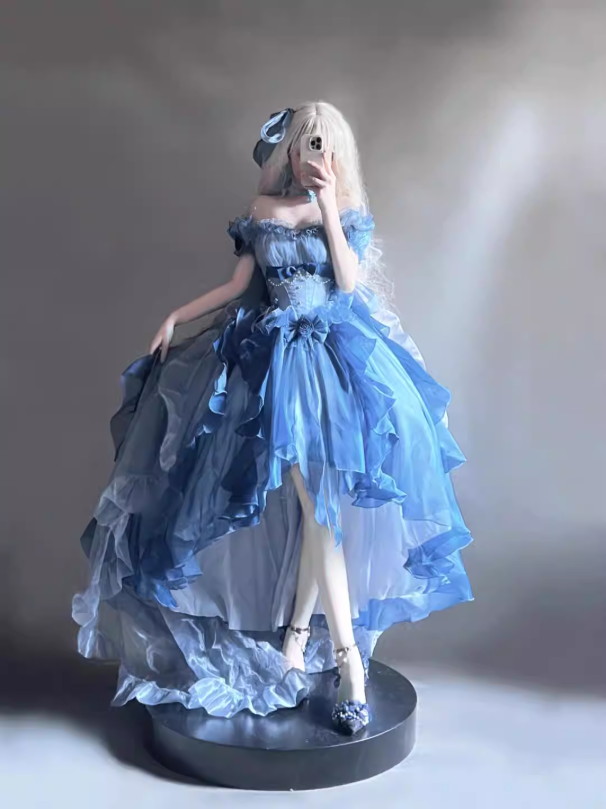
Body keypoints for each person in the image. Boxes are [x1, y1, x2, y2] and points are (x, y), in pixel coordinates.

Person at [72, 101, 473, 736]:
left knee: (320, 512)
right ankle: (314, 647)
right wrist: (178, 316)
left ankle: (336, 658)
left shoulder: (345, 209)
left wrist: (330, 205)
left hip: (333, 363)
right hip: (274, 367)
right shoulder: (263, 211)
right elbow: (240, 288)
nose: (314, 153)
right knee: (316, 511)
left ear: (337, 152)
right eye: (304, 141)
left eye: (325, 143)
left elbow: (348, 283)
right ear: (288, 147)